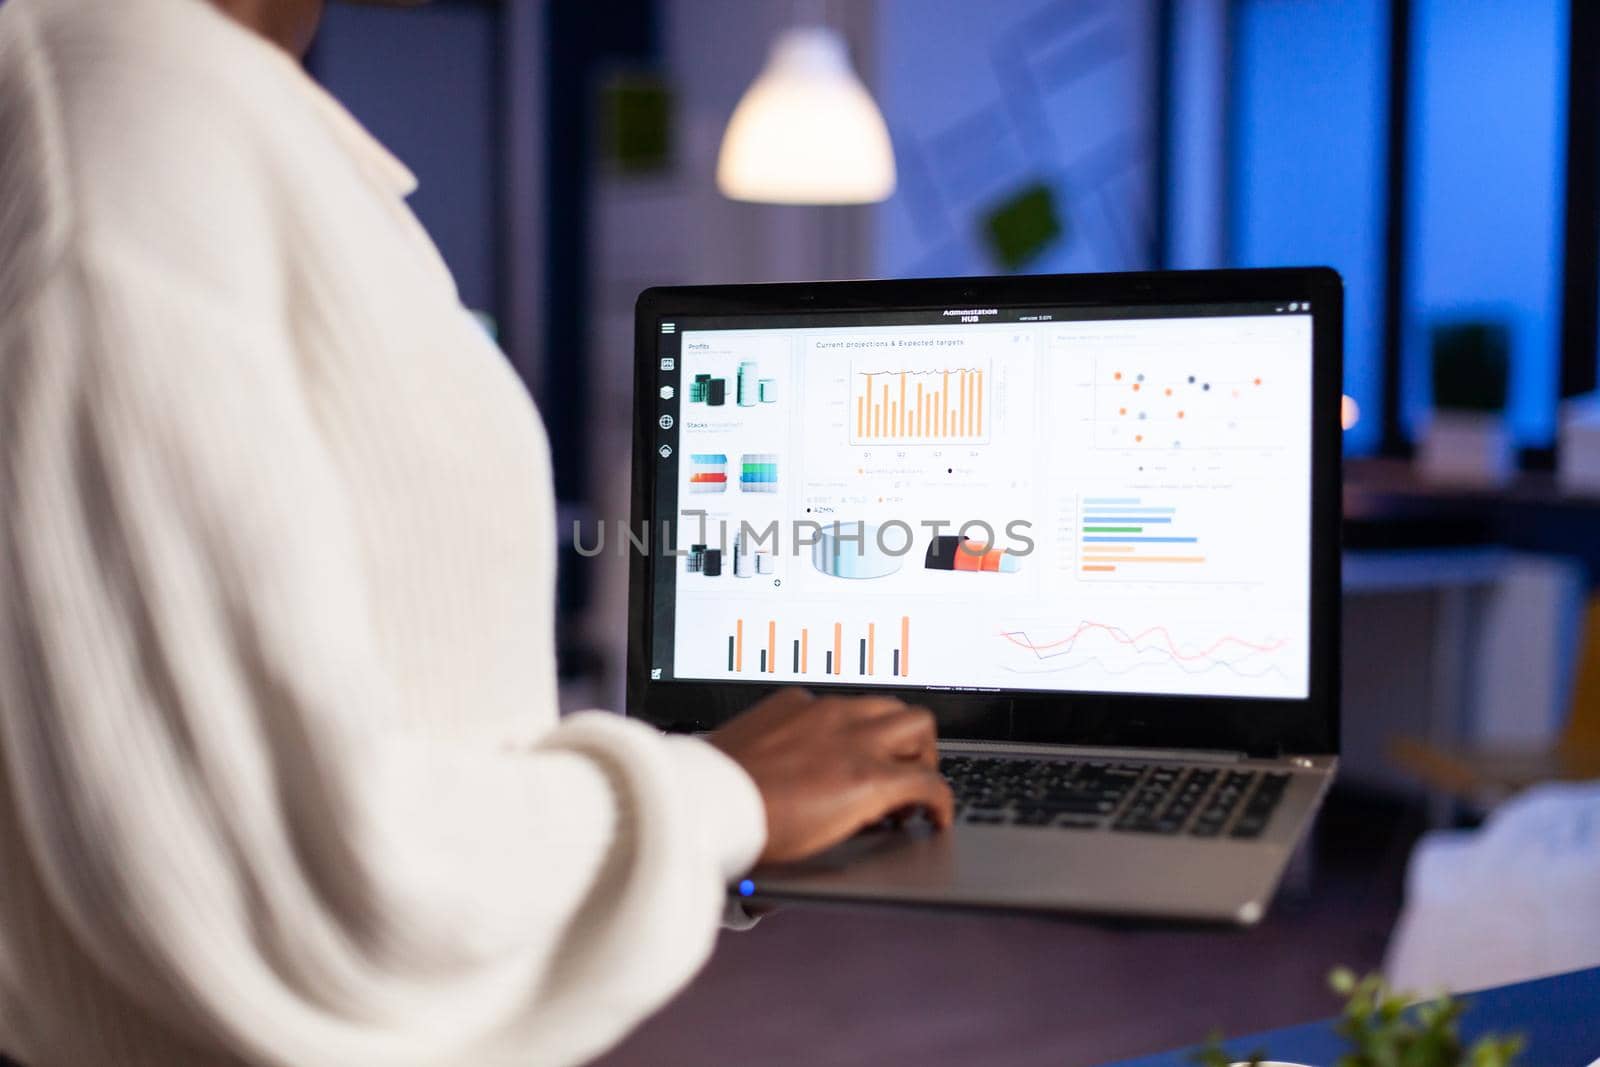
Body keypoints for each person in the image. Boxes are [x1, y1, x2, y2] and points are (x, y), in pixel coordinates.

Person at [0, 0, 954, 1064]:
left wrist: (711, 829)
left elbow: (415, 727)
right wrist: (718, 798)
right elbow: (277, 872)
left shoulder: (249, 126)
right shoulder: (125, 101)